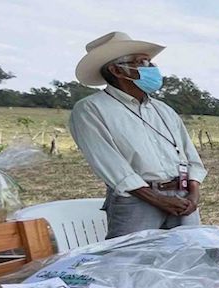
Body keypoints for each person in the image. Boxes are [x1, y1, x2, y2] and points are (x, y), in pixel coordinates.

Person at [69, 31, 206, 239]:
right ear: (117, 70)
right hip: (137, 201)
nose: (152, 69)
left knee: (188, 259)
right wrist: (158, 199)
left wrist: (193, 194)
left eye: (150, 62)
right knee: (132, 263)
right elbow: (112, 165)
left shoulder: (163, 110)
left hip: (183, 197)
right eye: (141, 62)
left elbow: (189, 156)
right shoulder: (92, 110)